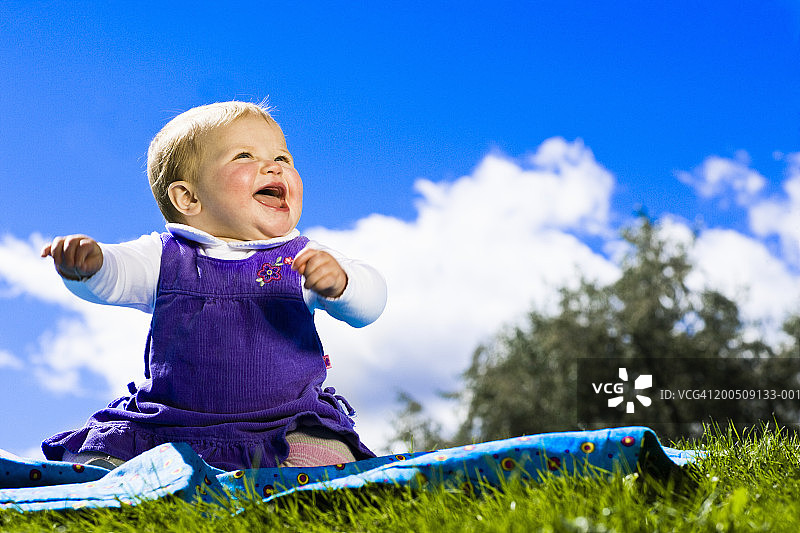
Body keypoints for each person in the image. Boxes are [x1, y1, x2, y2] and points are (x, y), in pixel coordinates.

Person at [39, 101, 386, 471]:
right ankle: (96, 495)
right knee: (98, 463)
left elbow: (371, 302)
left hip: (285, 425)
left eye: (283, 158)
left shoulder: (303, 257)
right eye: (244, 156)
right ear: (188, 198)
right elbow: (118, 274)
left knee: (323, 464)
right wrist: (91, 265)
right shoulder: (166, 256)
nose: (274, 166)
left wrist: (343, 284)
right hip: (170, 424)